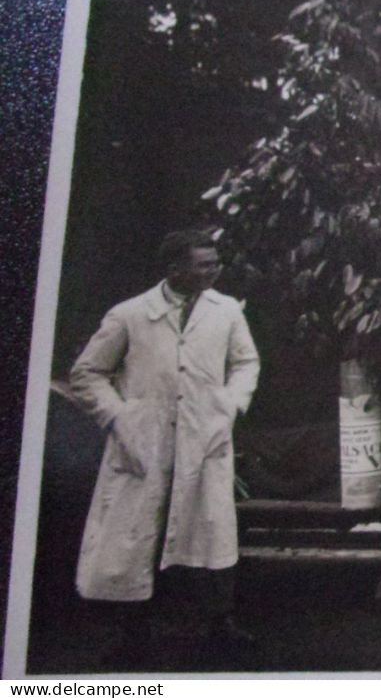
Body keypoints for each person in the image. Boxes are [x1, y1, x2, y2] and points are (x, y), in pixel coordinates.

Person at [63, 229, 260, 664]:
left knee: (209, 529)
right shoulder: (131, 314)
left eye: (215, 262)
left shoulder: (225, 311)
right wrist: (119, 416)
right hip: (144, 440)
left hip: (203, 436)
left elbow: (246, 362)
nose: (215, 270)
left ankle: (217, 624)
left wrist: (228, 405)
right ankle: (131, 634)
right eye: (204, 264)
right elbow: (87, 373)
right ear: (175, 269)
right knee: (136, 537)